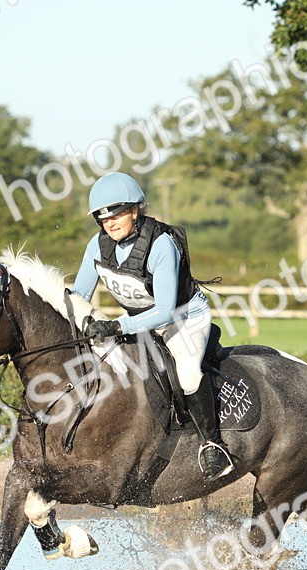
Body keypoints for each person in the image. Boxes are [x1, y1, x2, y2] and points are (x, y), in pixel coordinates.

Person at [70, 171, 234, 480]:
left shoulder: (160, 245)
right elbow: (79, 294)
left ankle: (213, 445)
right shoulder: (97, 245)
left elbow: (163, 310)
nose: (110, 221)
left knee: (186, 374)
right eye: (102, 217)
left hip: (183, 319)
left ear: (134, 210)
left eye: (116, 212)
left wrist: (116, 326)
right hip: (138, 321)